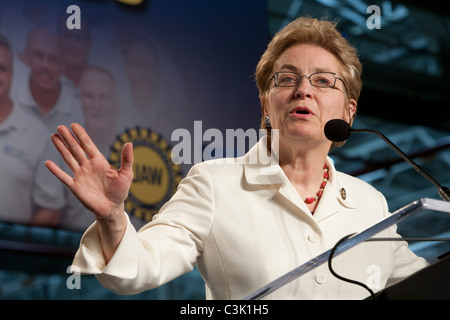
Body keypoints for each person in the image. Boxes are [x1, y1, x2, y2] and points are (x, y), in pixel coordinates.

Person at [45, 17, 428, 299]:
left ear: (348, 112)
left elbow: (423, 284)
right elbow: (139, 267)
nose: (303, 91)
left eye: (324, 81)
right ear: (265, 104)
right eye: (286, 78)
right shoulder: (214, 183)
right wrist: (112, 217)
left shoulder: (370, 203)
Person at [0, 34, 64, 226]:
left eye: (1, 69)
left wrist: (14, 243)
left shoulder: (40, 136)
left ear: (12, 75)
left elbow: (51, 212)